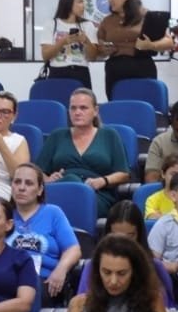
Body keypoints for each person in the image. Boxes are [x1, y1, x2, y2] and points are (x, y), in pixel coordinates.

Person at [36, 88, 129, 218]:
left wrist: (103, 181)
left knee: (72, 187)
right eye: (73, 108)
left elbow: (123, 174)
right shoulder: (57, 136)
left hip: (96, 194)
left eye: (83, 108)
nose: (77, 112)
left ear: (95, 111)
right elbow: (37, 172)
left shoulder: (109, 135)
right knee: (69, 180)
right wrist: (48, 179)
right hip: (61, 189)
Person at [7, 162, 81, 300]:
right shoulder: (3, 214)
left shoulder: (53, 213)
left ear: (40, 190)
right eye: (17, 182)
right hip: (6, 278)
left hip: (42, 280)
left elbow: (73, 249)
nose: (21, 188)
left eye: (29, 183)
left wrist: (60, 269)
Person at [98, 0, 174, 97]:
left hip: (142, 68)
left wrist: (150, 45)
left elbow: (170, 42)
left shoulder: (149, 17)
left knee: (144, 104)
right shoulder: (107, 21)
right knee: (118, 105)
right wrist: (103, 50)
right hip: (115, 71)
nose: (109, 0)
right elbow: (98, 48)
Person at [39, 0, 98, 89]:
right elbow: (46, 56)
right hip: (57, 72)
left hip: (81, 72)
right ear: (69, 3)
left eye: (84, 2)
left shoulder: (88, 25)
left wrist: (86, 41)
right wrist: (63, 41)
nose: (83, 5)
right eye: (80, 2)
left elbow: (93, 57)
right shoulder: (51, 24)